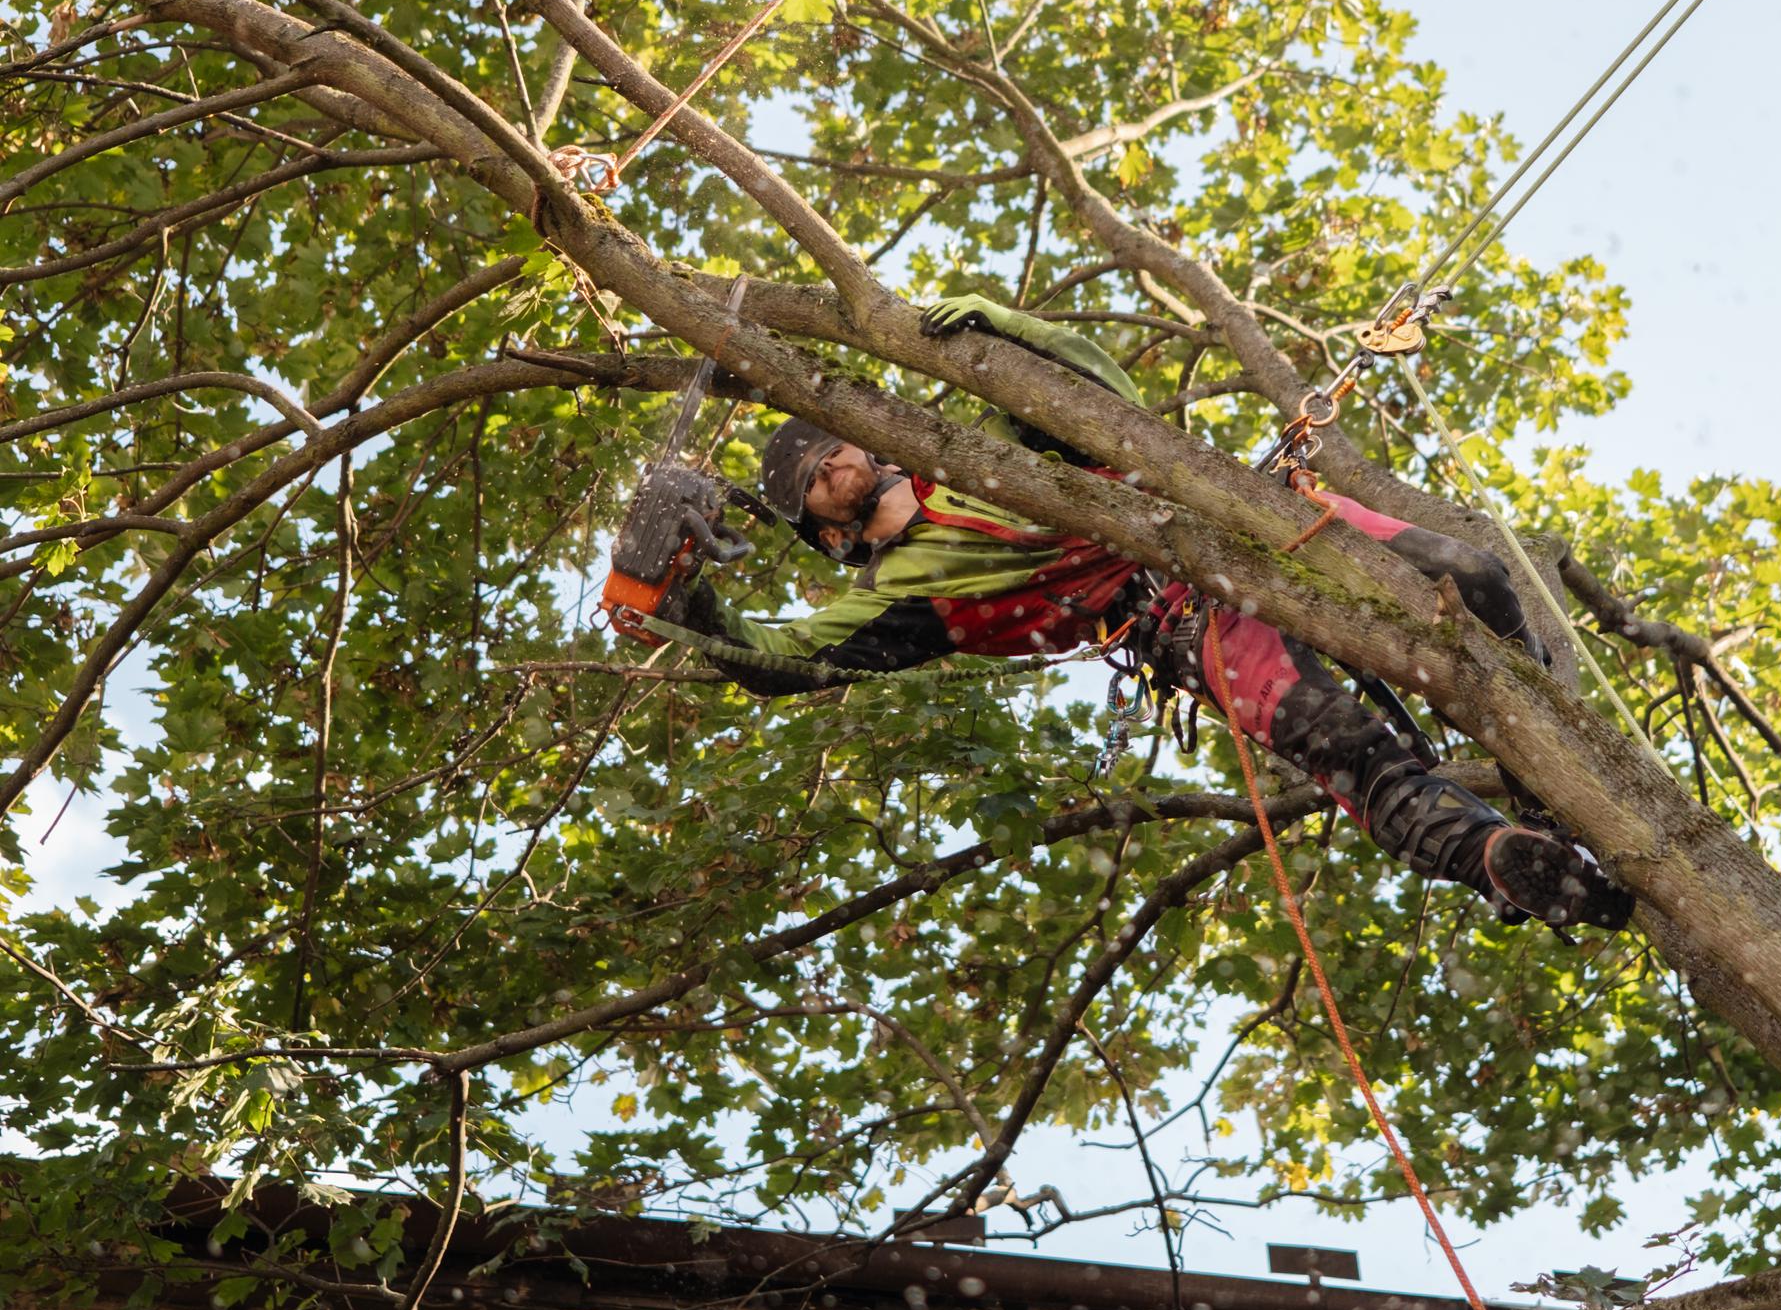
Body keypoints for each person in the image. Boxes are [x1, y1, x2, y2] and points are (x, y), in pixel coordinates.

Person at [606, 293, 1630, 934]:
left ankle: (1550, 782)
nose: (825, 463)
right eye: (808, 481)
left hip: (1251, 517)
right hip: (1180, 616)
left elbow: (1091, 394)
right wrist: (682, 595)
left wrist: (998, 326)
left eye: (822, 445)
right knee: (1346, 749)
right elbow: (776, 661)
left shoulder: (980, 454)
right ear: (823, 533)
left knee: (1473, 577)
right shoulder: (900, 596)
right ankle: (1499, 859)